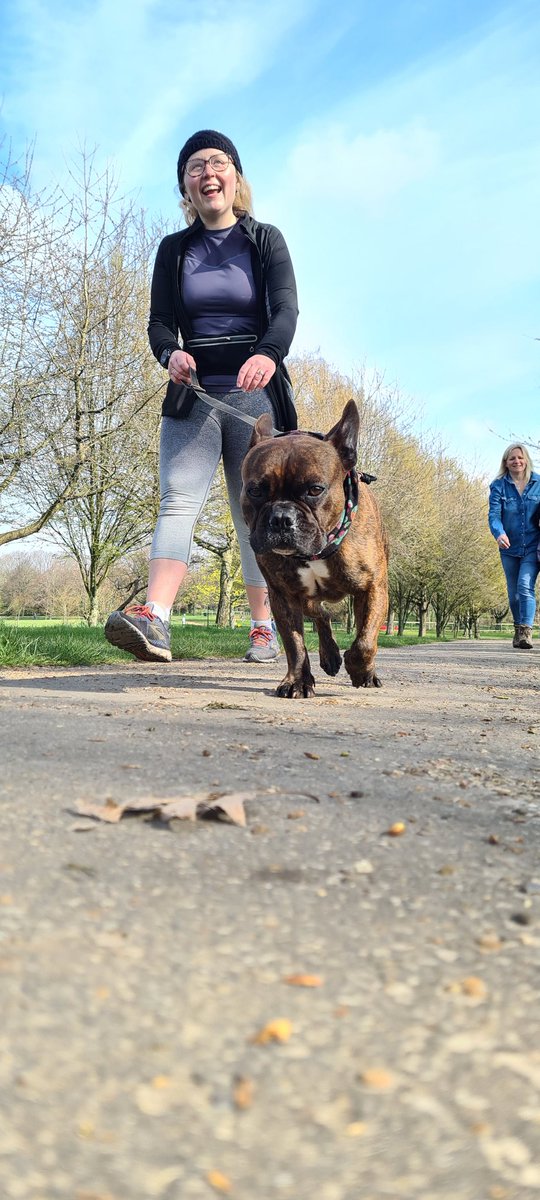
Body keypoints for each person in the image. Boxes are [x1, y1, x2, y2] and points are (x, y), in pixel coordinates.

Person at [105, 130, 298, 664]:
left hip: (254, 396)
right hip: (193, 396)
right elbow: (159, 322)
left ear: (235, 177)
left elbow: (285, 311)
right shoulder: (174, 250)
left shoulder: (265, 240)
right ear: (184, 187)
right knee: (178, 499)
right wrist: (170, 353)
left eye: (217, 162)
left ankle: (265, 626)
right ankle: (157, 620)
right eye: (195, 166)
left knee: (252, 512)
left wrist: (267, 353)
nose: (207, 172)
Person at [488, 443, 540, 649]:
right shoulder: (498, 485)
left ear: (526, 459)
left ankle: (526, 631)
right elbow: (494, 515)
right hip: (508, 547)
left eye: (519, 457)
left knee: (525, 585)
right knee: (513, 593)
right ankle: (518, 630)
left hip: (533, 545)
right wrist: (499, 533)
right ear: (506, 463)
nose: (516, 461)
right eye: (512, 459)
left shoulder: (538, 483)